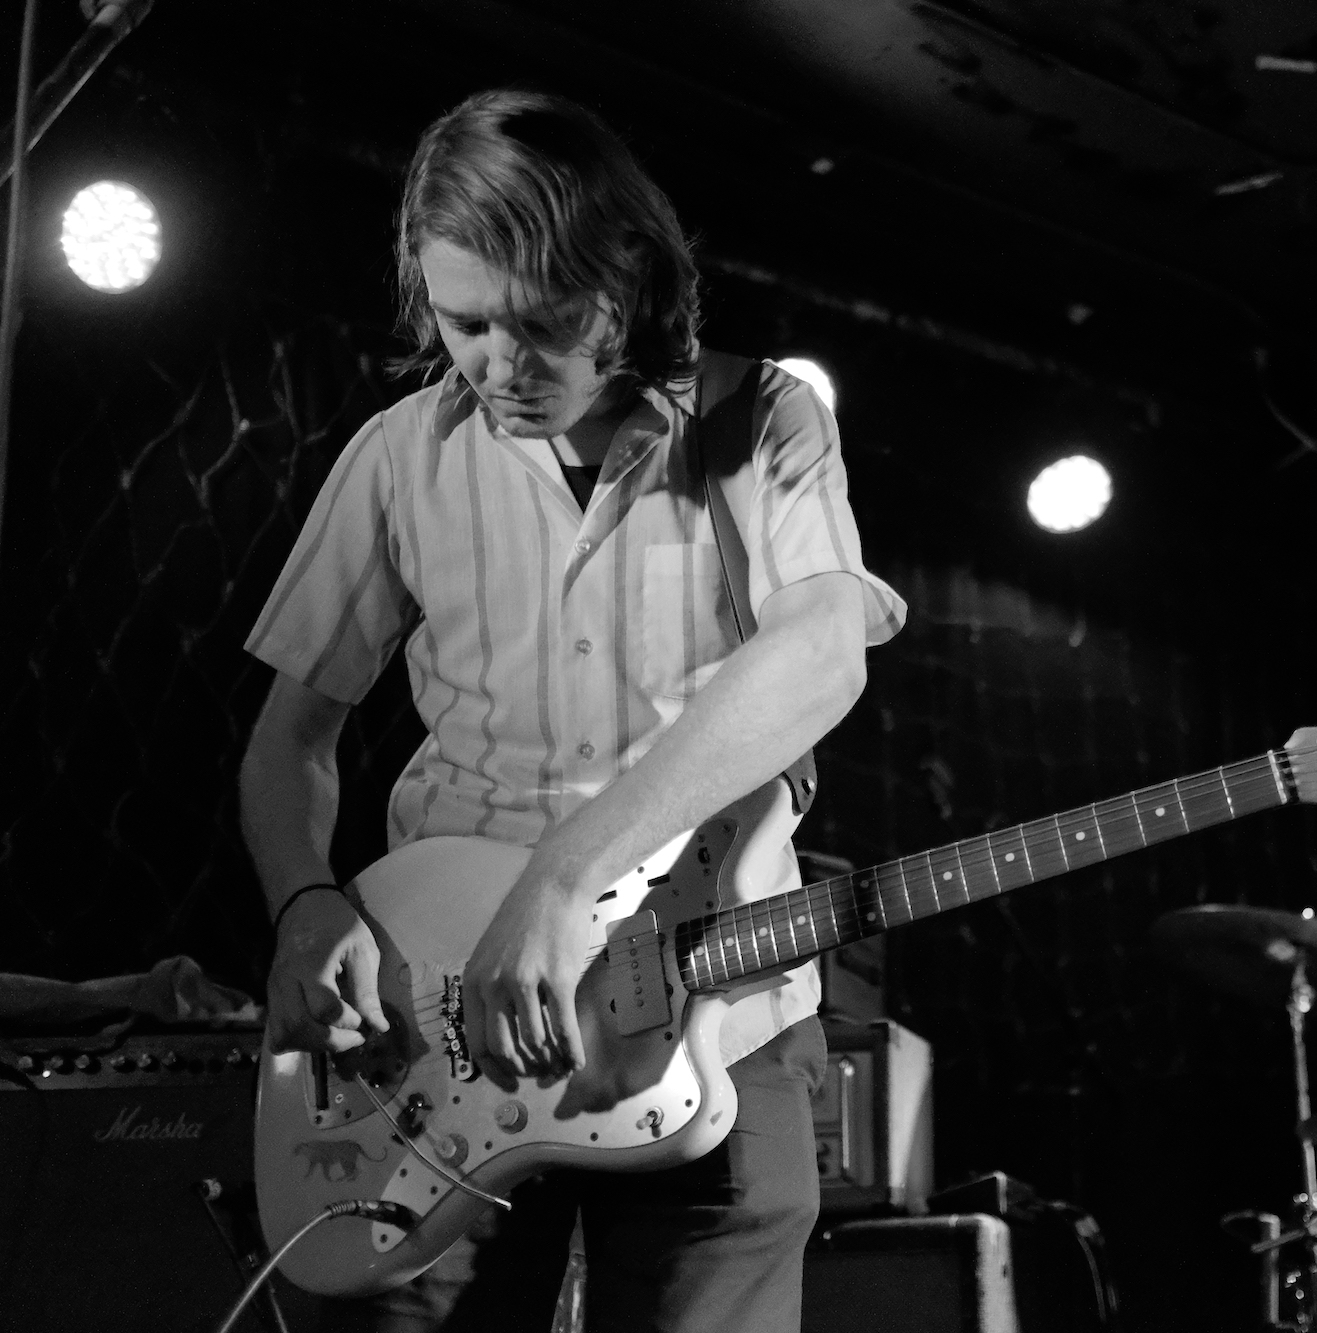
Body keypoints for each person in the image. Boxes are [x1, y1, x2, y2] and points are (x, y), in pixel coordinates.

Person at [237, 88, 905, 1332]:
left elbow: (822, 651)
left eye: (543, 325)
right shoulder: (397, 454)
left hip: (717, 1006)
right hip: (440, 1025)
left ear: (627, 282)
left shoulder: (764, 416)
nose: (501, 365)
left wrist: (561, 881)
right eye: (466, 323)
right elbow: (290, 739)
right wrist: (302, 902)